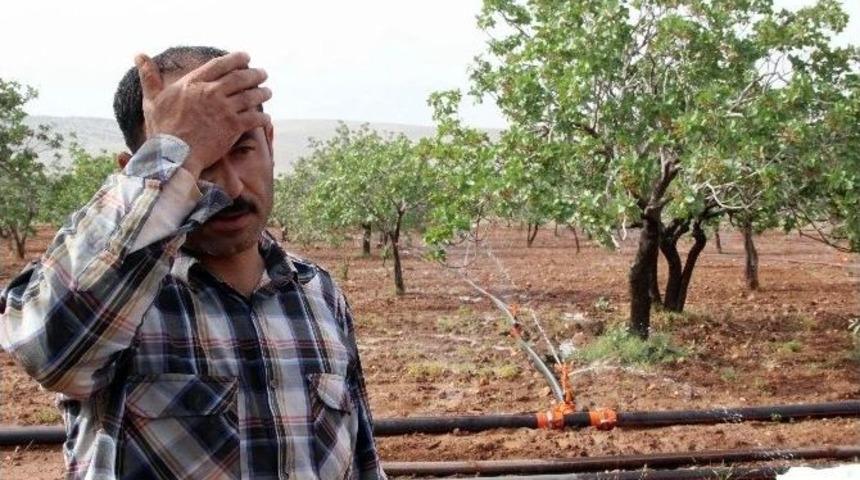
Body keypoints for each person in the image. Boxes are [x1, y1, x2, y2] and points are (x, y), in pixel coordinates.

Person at [0, 46, 386, 480]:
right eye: (197, 161)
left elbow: (363, 462)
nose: (230, 185)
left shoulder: (319, 294)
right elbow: (48, 352)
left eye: (242, 150)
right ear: (137, 170)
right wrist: (169, 155)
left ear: (270, 142)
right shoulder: (116, 300)